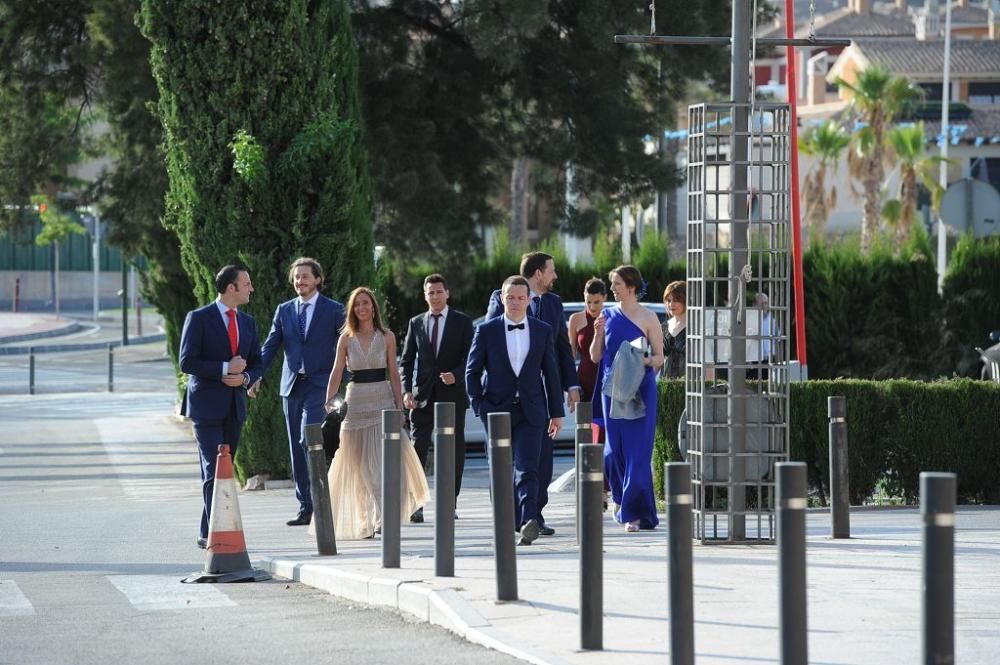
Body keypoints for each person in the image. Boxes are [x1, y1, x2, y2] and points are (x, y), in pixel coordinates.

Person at [320, 287, 428, 540]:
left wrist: (398, 406)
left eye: (365, 303)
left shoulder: (387, 336)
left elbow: (393, 371)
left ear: (373, 307)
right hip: (355, 403)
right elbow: (337, 371)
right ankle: (363, 523)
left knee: (380, 467)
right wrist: (329, 401)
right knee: (358, 469)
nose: (361, 308)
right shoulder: (345, 338)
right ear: (352, 309)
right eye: (357, 304)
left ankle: (383, 518)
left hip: (382, 401)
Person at [484, 251, 578, 536]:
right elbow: (490, 338)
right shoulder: (500, 298)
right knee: (505, 459)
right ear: (538, 273)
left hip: (539, 396)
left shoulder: (553, 303)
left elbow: (562, 348)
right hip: (504, 397)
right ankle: (510, 515)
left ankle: (533, 516)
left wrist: (570, 386)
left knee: (540, 459)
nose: (555, 276)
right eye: (552, 270)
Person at [467, 276, 564, 545]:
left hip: (532, 411)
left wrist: (557, 412)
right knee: (501, 468)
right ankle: (508, 519)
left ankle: (528, 518)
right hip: (496, 411)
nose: (515, 302)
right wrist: (479, 407)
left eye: (521, 298)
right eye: (510, 297)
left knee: (527, 466)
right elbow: (471, 372)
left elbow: (551, 374)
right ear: (502, 299)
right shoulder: (486, 331)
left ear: (529, 300)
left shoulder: (542, 330)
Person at [250, 257, 346, 527]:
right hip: (291, 386)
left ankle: (322, 500)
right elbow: (270, 347)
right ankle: (306, 506)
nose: (299, 281)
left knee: (310, 439)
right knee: (296, 446)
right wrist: (254, 375)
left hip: (320, 386)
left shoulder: (334, 310)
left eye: (305, 276)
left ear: (317, 279)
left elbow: (348, 348)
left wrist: (342, 382)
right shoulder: (284, 311)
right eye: (296, 277)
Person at [179, 265, 262, 549]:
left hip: (234, 406)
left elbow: (257, 360)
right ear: (231, 288)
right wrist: (225, 368)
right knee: (213, 469)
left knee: (223, 471)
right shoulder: (199, 318)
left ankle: (210, 528)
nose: (251, 288)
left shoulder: (248, 323)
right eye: (247, 283)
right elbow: (187, 361)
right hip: (205, 406)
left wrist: (246, 377)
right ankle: (211, 532)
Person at [590, 265, 664, 532]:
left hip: (641, 391)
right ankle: (621, 500)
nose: (612, 289)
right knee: (613, 453)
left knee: (638, 454)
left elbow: (659, 357)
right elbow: (595, 356)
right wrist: (598, 333)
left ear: (631, 286)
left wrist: (640, 360)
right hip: (612, 392)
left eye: (617, 284)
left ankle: (633, 513)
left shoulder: (648, 318)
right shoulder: (607, 315)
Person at [401, 273, 474, 522]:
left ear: (447, 293)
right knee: (417, 448)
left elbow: (471, 359)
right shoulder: (416, 323)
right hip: (422, 397)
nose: (434, 296)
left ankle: (449, 502)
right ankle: (416, 503)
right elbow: (407, 361)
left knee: (453, 451)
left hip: (452, 396)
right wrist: (406, 391)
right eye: (430, 292)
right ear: (425, 295)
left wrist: (456, 374)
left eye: (438, 292)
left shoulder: (462, 322)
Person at [568, 276, 607, 437]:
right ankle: (584, 463)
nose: (591, 306)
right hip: (584, 381)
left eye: (596, 302)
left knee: (604, 433)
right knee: (584, 433)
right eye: (588, 301)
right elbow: (570, 356)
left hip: (605, 380)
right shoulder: (575, 319)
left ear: (605, 298)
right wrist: (571, 386)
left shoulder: (610, 318)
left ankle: (606, 463)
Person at [661, 280, 687, 380]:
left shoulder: (696, 328)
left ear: (685, 300)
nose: (671, 304)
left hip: (690, 388)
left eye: (676, 300)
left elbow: (707, 362)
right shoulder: (663, 327)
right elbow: (658, 361)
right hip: (665, 386)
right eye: (668, 300)